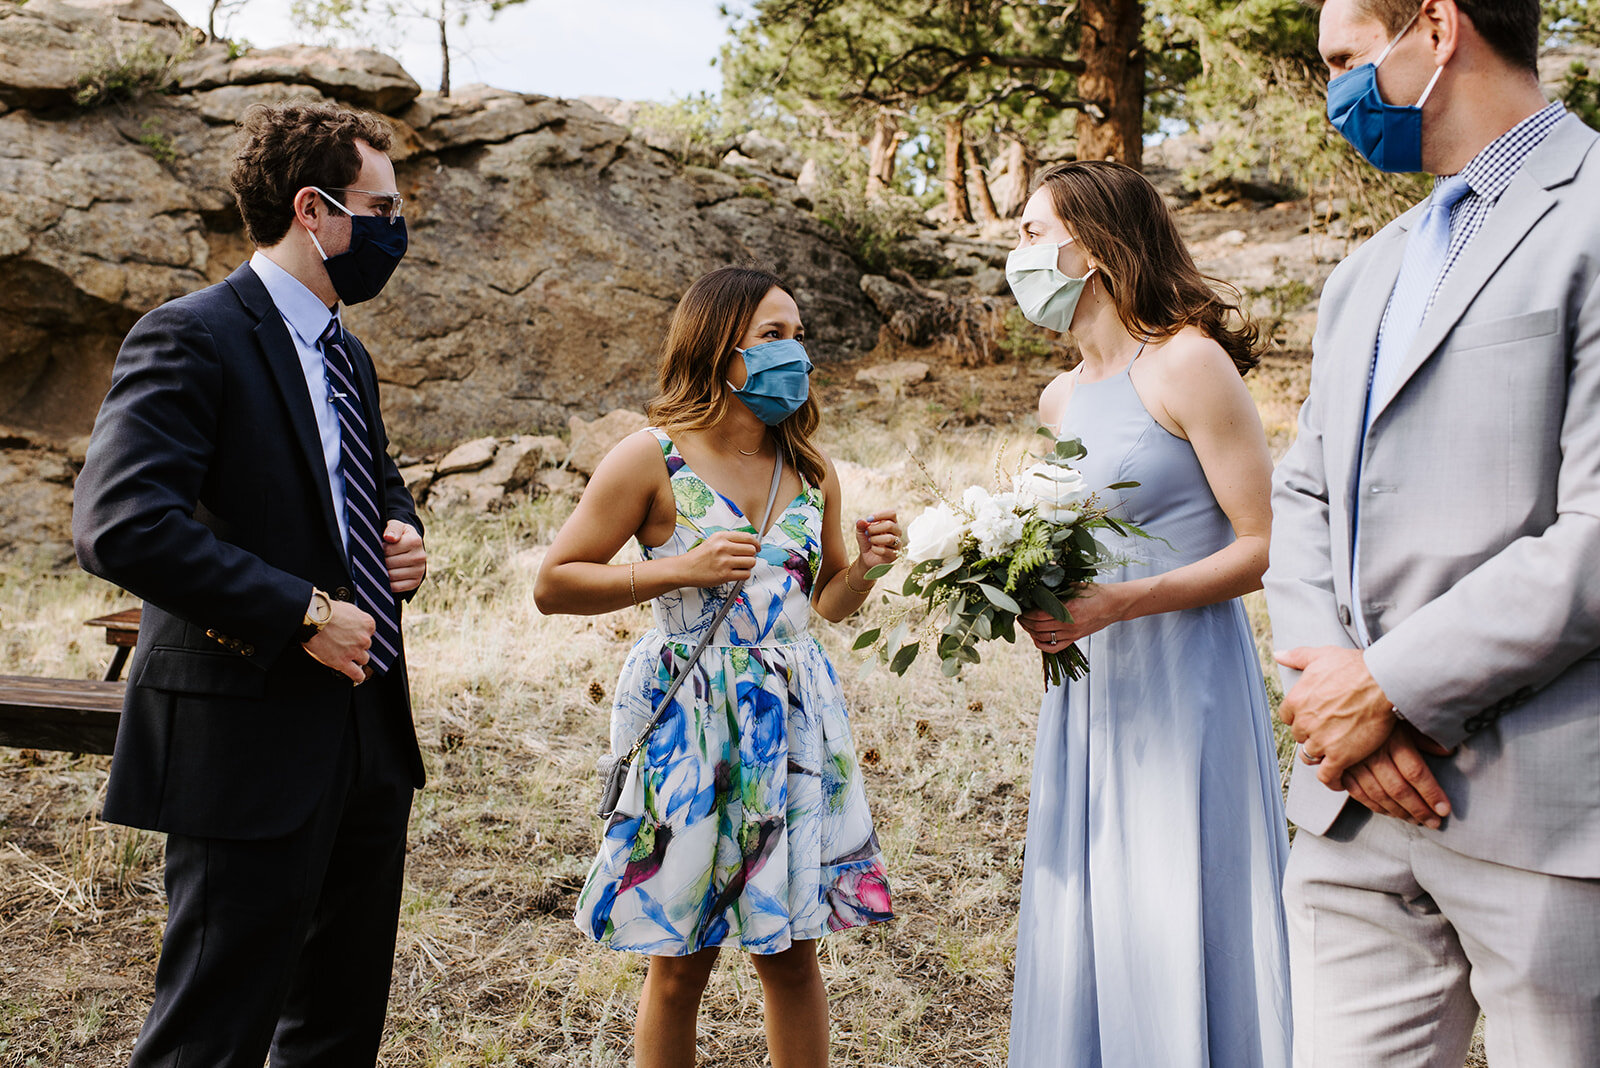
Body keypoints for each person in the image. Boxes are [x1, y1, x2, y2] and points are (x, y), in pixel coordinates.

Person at [1266, 0, 1600, 1063]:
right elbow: (1304, 495)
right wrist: (1339, 701)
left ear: (1438, 28)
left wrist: (1391, 690)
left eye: (1345, 60)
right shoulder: (1367, 269)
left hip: (1546, 818)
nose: (1334, 97)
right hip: (1353, 812)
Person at [73, 102, 427, 1067]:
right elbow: (121, 525)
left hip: (366, 736)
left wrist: (405, 536)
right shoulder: (189, 335)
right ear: (314, 210)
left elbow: (372, 482)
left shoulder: (347, 355)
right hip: (245, 738)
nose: (399, 230)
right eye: (383, 208)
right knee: (212, 1033)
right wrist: (300, 610)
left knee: (335, 1029)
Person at [534, 266, 897, 1068]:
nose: (793, 352)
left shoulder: (811, 469)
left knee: (792, 954)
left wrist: (865, 567)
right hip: (692, 724)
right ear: (716, 347)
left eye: (799, 335)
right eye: (772, 336)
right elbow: (554, 584)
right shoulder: (649, 460)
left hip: (795, 724)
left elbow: (824, 603)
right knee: (679, 962)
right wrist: (678, 569)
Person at [1005, 161, 1291, 1066]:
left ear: (1087, 247)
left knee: (1178, 888)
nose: (1015, 253)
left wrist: (1127, 600)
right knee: (1097, 901)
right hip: (1092, 689)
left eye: (1028, 233)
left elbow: (1265, 543)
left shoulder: (1187, 362)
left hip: (1184, 681)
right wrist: (1028, 594)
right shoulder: (1060, 397)